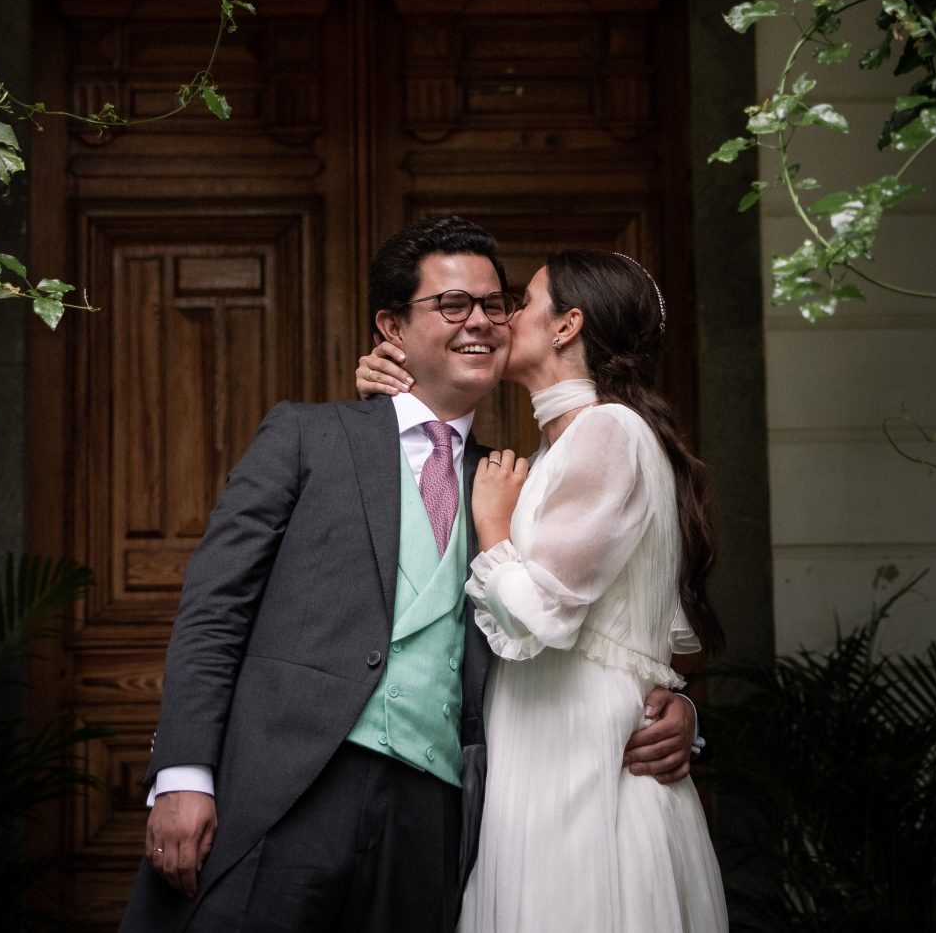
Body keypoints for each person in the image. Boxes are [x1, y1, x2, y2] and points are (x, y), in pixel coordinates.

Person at [122, 216, 697, 933]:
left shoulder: (514, 488)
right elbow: (214, 609)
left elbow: (597, 611)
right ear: (390, 327)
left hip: (433, 823)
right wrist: (181, 773)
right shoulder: (308, 436)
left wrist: (674, 707)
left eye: (497, 304)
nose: (483, 322)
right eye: (454, 305)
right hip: (286, 795)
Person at [355, 249, 730, 933]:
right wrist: (392, 391)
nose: (498, 321)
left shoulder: (609, 430)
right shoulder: (557, 450)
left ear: (567, 327)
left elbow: (551, 613)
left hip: (576, 746)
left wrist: (494, 525)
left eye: (518, 303)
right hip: (533, 737)